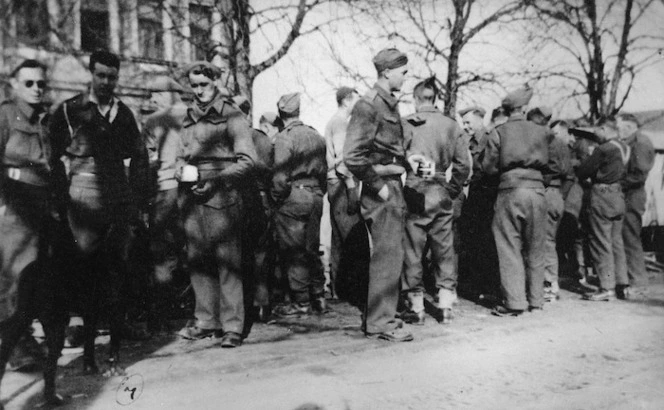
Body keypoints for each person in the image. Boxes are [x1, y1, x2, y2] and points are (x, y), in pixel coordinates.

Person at [49, 50, 151, 367]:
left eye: (112, 76)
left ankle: (114, 349)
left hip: (117, 199)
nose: (106, 82)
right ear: (91, 74)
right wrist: (60, 199)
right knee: (84, 271)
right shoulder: (72, 110)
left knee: (117, 272)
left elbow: (139, 159)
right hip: (84, 197)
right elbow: (51, 155)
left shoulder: (124, 114)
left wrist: (136, 202)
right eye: (101, 75)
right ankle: (86, 347)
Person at [175, 61, 256, 348]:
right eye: (194, 86)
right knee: (197, 259)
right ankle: (206, 321)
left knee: (228, 260)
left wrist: (217, 180)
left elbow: (248, 161)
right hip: (191, 193)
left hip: (222, 194)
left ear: (215, 83)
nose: (199, 91)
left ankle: (233, 326)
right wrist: (179, 167)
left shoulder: (232, 116)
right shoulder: (189, 117)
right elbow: (183, 152)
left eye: (204, 85)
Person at [344, 48, 413, 342]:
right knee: (387, 256)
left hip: (393, 184)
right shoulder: (369, 105)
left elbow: (388, 149)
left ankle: (384, 315)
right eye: (402, 71)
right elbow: (352, 156)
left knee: (392, 255)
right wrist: (379, 186)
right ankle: (380, 322)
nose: (406, 76)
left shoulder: (387, 104)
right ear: (387, 72)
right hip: (382, 189)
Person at [400, 78, 470, 325]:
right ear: (435, 99)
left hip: (415, 190)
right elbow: (464, 166)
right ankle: (445, 302)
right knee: (444, 248)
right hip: (441, 190)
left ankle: (416, 306)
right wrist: (450, 189)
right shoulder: (451, 125)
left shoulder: (407, 124)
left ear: (417, 99)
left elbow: (397, 157)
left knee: (413, 249)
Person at [0, 60, 53, 373]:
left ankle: (26, 339)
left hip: (41, 207)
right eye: (30, 83)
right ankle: (17, 346)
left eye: (41, 84)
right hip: (15, 206)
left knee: (35, 276)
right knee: (11, 279)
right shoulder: (5, 114)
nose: (36, 89)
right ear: (14, 84)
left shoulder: (44, 119)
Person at [482, 86, 550, 316]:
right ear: (525, 108)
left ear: (507, 109)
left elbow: (488, 168)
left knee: (509, 247)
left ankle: (514, 302)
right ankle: (536, 301)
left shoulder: (498, 132)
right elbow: (552, 166)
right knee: (536, 247)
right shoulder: (542, 131)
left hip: (510, 191)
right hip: (538, 191)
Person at [271, 92, 328, 316]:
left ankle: (301, 302)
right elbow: (324, 171)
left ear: (280, 113)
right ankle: (319, 296)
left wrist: (277, 199)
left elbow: (280, 177)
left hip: (294, 195)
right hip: (315, 195)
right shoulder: (316, 136)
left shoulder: (285, 138)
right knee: (312, 249)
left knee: (294, 252)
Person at [141, 76, 187, 332]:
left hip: (165, 190)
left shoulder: (154, 120)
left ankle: (160, 317)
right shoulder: (192, 115)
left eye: (155, 94)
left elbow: (146, 160)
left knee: (162, 255)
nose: (152, 99)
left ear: (169, 93)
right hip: (193, 189)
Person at [232, 96, 275, 324]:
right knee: (259, 255)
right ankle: (261, 305)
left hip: (242, 200)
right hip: (261, 199)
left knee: (240, 254)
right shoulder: (262, 138)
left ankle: (246, 306)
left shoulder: (233, 138)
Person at [576, 119, 630, 301]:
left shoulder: (604, 149)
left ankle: (606, 287)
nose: (596, 135)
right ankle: (623, 284)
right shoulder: (625, 147)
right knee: (616, 242)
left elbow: (583, 171)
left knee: (601, 242)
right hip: (618, 195)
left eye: (597, 131)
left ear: (604, 129)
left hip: (602, 196)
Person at [324, 86, 364, 301]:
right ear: (347, 100)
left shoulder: (335, 122)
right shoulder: (340, 124)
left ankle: (339, 289)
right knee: (351, 236)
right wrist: (351, 188)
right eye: (356, 99)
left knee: (339, 238)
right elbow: (343, 160)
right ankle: (351, 291)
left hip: (335, 184)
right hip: (342, 184)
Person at [458, 106, 500, 302]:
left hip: (486, 195)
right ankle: (475, 285)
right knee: (471, 241)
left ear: (480, 120)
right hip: (471, 195)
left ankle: (489, 286)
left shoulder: (490, 138)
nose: (465, 127)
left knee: (486, 242)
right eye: (463, 123)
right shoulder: (465, 140)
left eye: (468, 122)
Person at [616, 113, 655, 299]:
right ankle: (629, 280)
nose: (617, 131)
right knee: (625, 237)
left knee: (631, 238)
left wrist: (616, 183)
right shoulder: (632, 142)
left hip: (632, 195)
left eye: (619, 127)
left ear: (629, 127)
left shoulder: (640, 142)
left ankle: (639, 283)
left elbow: (639, 175)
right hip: (627, 195)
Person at [534, 111, 571, 302]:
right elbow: (570, 175)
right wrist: (559, 196)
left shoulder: (545, 142)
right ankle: (549, 283)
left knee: (544, 242)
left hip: (547, 192)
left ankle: (550, 284)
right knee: (550, 241)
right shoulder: (561, 144)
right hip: (557, 195)